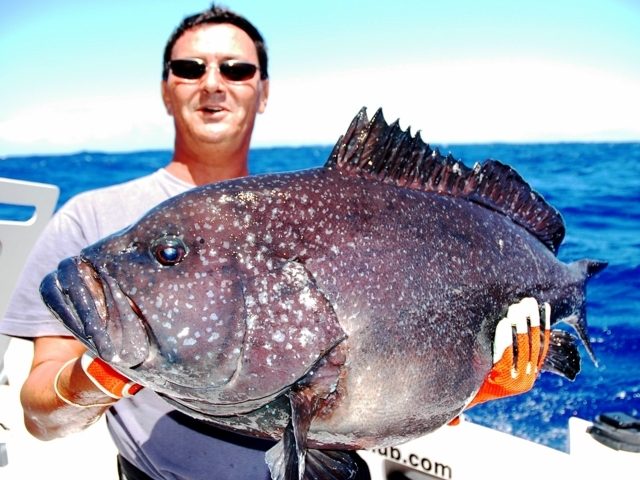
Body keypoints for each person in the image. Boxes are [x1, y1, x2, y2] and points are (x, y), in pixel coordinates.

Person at [0, 3, 548, 480]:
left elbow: (389, 385)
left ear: (262, 93)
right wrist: (100, 373)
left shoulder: (326, 205)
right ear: (167, 90)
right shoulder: (89, 222)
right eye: (189, 69)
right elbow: (40, 417)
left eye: (237, 70)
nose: (212, 83)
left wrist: (474, 383)